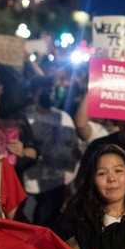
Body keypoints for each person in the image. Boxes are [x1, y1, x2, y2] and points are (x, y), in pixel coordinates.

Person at [52, 144, 125, 249]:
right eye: (102, 173)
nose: (111, 178)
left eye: (118, 170)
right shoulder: (75, 221)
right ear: (92, 180)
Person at [22, 76, 81, 227]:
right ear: (34, 93)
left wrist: (68, 181)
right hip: (26, 182)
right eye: (44, 91)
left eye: (51, 90)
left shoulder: (64, 118)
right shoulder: (24, 116)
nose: (49, 93)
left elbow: (74, 150)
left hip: (53, 184)